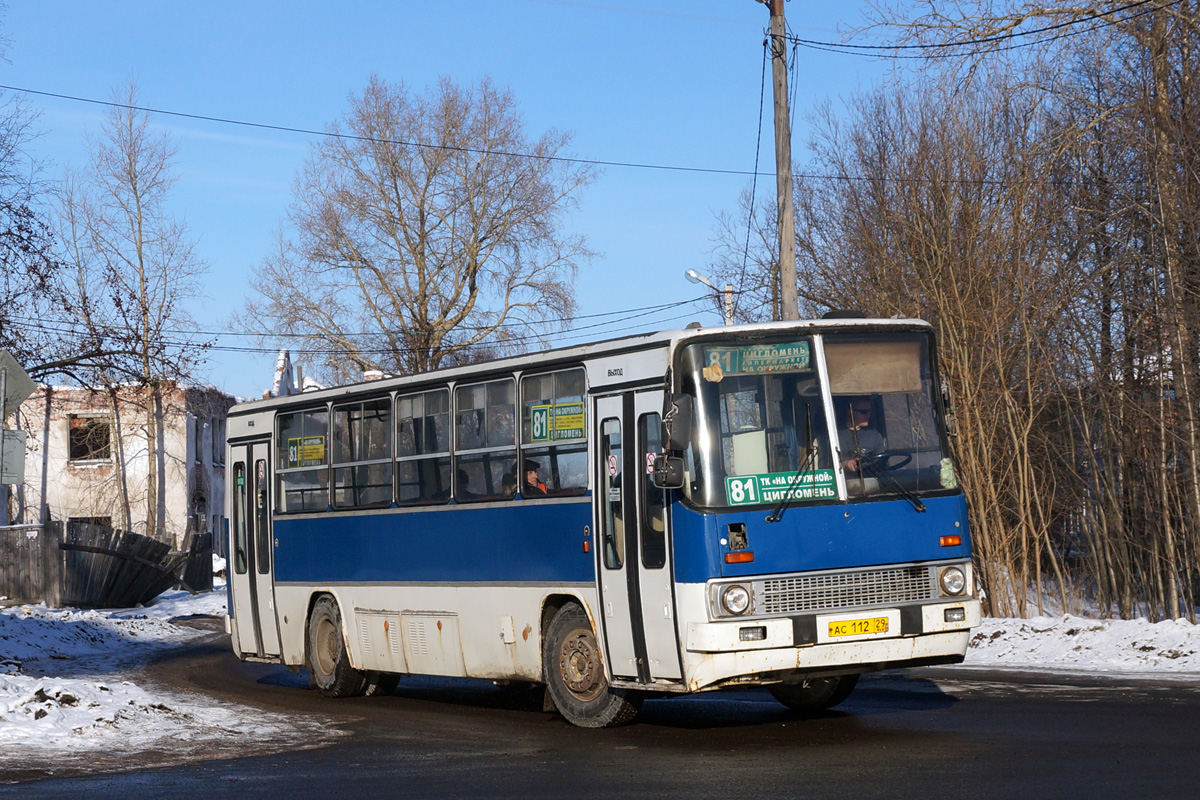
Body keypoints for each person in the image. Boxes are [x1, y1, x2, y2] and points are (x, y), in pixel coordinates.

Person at [838, 397, 883, 473]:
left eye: (870, 412)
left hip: (872, 480)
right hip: (846, 481)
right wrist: (845, 464)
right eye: (864, 412)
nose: (868, 415)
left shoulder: (875, 435)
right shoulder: (835, 436)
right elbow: (827, 467)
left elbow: (882, 462)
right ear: (850, 411)